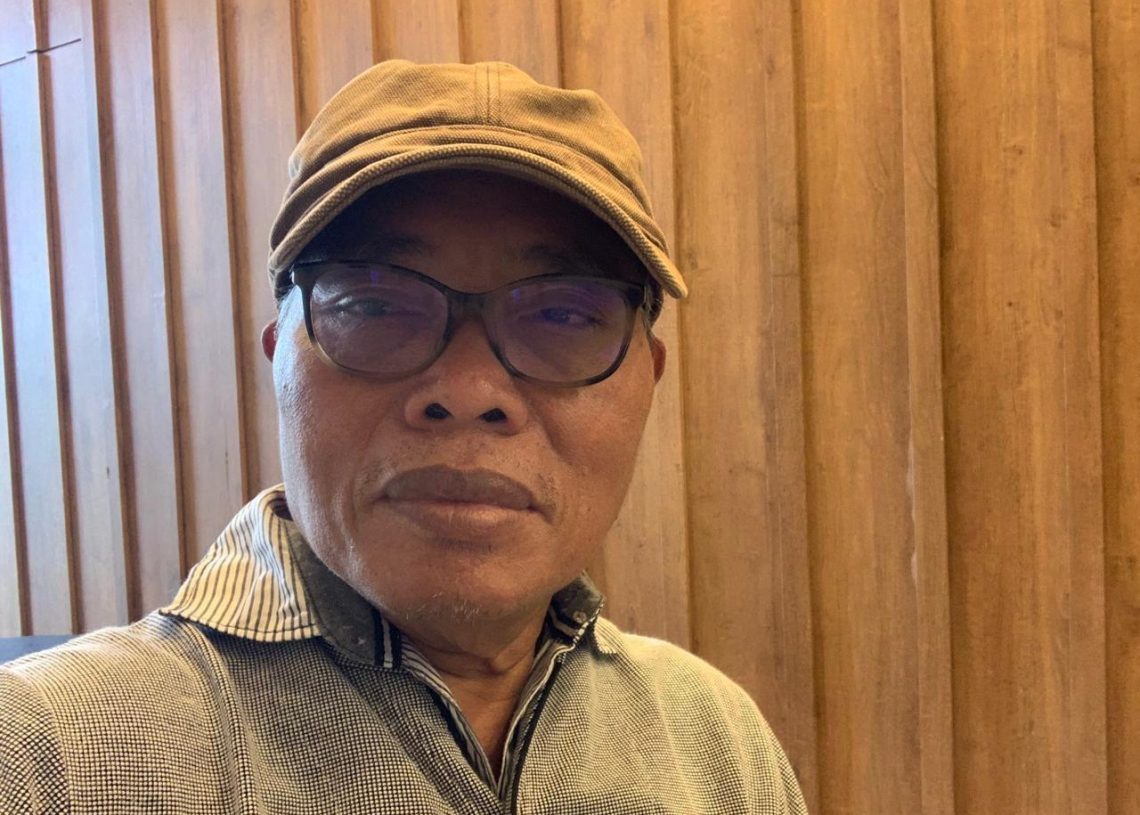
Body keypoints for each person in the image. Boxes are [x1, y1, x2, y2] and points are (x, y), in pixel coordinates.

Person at [0, 60, 808, 814]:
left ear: (647, 382)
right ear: (280, 359)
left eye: (563, 314)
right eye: (374, 304)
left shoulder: (717, 744)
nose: (469, 391)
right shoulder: (45, 757)